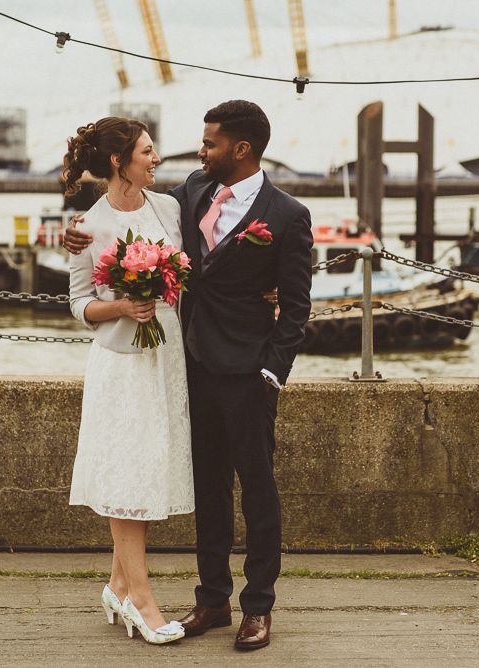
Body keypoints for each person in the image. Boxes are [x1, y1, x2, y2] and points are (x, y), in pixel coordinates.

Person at [65, 100, 314, 651]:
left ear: (240, 149)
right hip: (190, 365)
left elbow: (296, 306)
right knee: (209, 488)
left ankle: (259, 607)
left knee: (258, 490)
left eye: (209, 144)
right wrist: (74, 237)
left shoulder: (287, 214)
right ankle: (212, 600)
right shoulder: (188, 196)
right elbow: (123, 214)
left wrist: (273, 372)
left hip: (249, 371)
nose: (199, 153)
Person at [64, 116, 192, 645]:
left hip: (165, 358)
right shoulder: (87, 227)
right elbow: (77, 304)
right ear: (120, 161)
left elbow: (185, 274)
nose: (156, 157)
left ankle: (118, 585)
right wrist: (121, 304)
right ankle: (141, 599)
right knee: (126, 474)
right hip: (120, 364)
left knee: (148, 468)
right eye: (147, 150)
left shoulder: (169, 208)